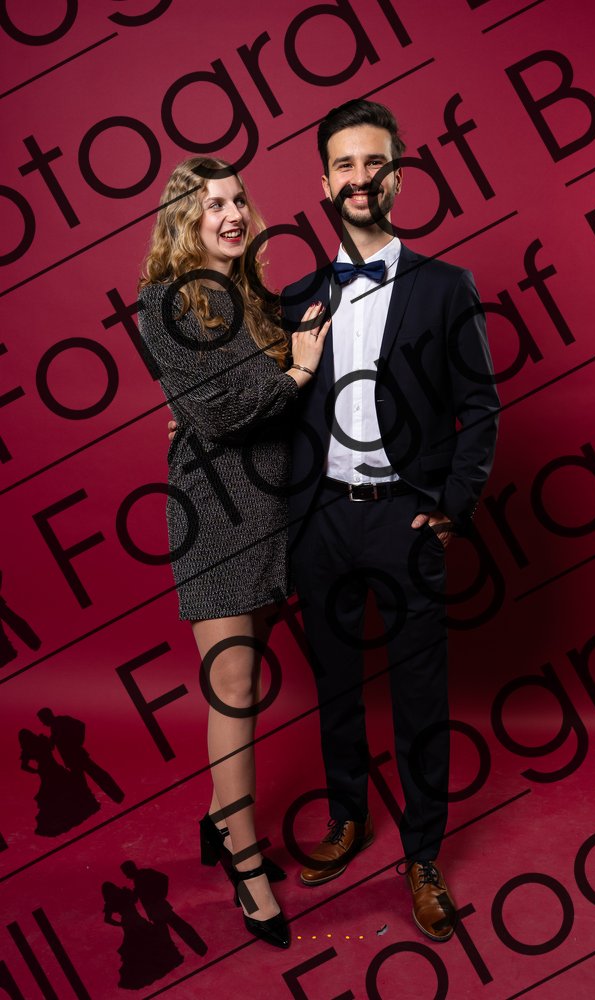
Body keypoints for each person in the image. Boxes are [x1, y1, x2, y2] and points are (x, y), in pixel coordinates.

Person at [280, 99, 500, 942]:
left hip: (405, 520)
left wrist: (451, 507)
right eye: (345, 164)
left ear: (399, 176)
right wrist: (195, 424)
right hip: (322, 522)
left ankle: (422, 854)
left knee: (417, 694)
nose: (360, 177)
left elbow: (480, 407)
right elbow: (272, 407)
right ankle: (347, 815)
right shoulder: (297, 296)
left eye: (374, 162)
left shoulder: (447, 287)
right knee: (336, 684)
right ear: (324, 182)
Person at [138, 156, 329, 949]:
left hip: (275, 511)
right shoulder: (164, 302)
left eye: (238, 199)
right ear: (183, 220)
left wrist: (286, 375)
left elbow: (240, 404)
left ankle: (221, 817)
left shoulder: (252, 299)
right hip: (215, 518)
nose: (232, 213)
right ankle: (246, 864)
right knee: (235, 686)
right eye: (213, 203)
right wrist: (297, 371)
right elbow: (218, 415)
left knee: (249, 675)